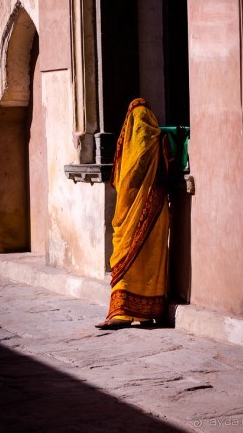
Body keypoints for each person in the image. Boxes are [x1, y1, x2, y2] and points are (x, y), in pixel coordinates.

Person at [96, 97, 174, 330]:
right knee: (149, 259)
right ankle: (145, 311)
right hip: (156, 210)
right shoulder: (160, 141)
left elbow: (124, 182)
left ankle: (122, 313)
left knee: (132, 257)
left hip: (142, 212)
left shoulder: (131, 150)